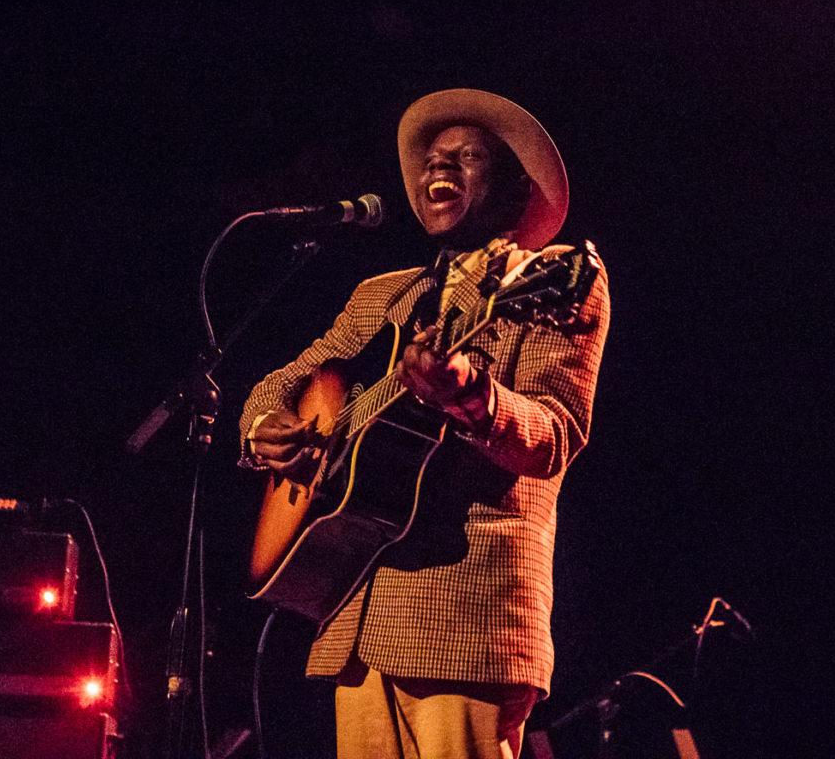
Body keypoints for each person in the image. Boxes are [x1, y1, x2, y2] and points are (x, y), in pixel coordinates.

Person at [238, 89, 610, 759]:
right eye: (433, 159)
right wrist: (266, 420)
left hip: (465, 615)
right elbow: (289, 376)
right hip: (351, 606)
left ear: (514, 187)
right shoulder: (383, 295)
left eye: (467, 158)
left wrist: (472, 396)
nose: (440, 168)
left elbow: (555, 434)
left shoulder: (554, 279)